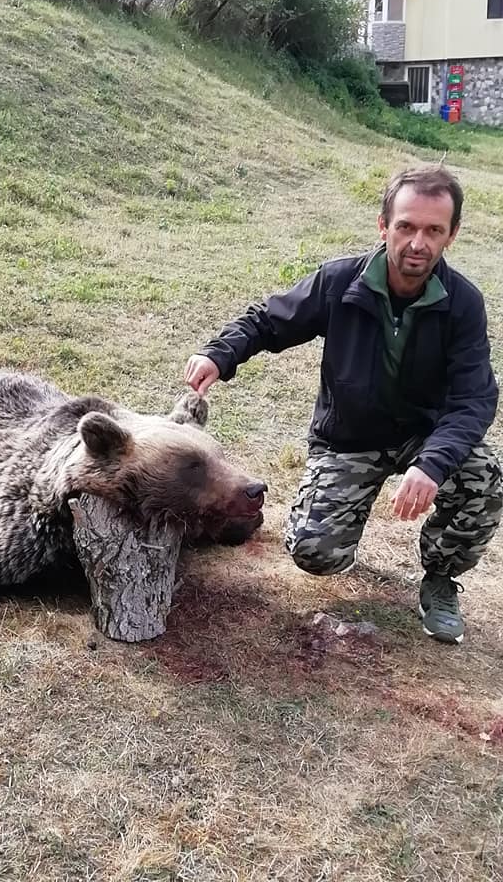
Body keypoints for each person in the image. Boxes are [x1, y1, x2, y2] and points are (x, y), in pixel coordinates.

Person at [184, 165, 502, 644]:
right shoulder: (339, 281)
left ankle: (440, 577)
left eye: (434, 230)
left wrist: (433, 464)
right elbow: (269, 321)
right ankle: (345, 520)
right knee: (313, 552)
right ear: (384, 226)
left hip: (425, 436)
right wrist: (219, 354)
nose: (418, 243)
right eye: (406, 226)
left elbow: (474, 398)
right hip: (349, 440)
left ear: (451, 235)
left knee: (484, 478)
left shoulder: (463, 303)